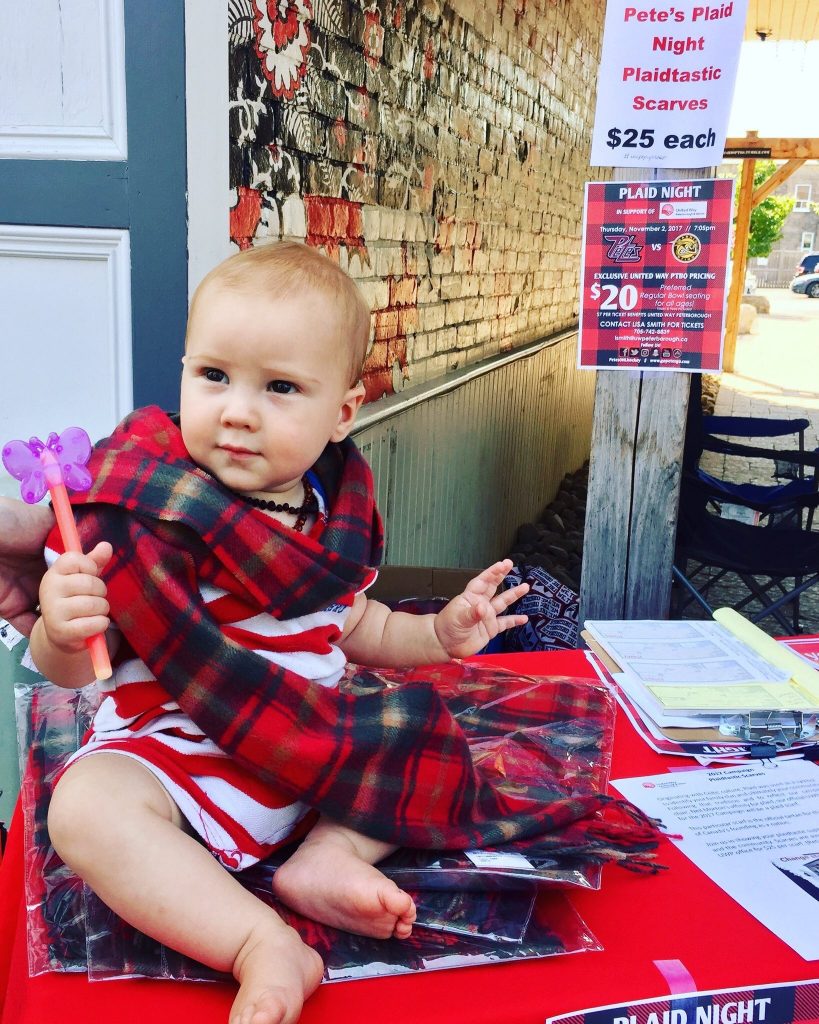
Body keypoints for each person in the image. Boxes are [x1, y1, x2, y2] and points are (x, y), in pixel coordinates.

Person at [25, 241, 530, 1024]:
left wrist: (435, 638)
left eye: (281, 387)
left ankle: (325, 857)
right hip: (172, 753)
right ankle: (259, 942)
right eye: (213, 375)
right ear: (185, 370)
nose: (236, 410)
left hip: (310, 749)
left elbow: (357, 624)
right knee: (85, 810)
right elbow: (69, 671)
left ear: (342, 412)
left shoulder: (335, 522)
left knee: (422, 739)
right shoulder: (136, 513)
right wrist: (62, 627)